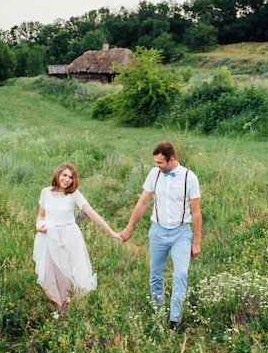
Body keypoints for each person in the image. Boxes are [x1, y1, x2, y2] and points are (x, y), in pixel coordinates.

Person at [120, 141, 201, 332]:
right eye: (155, 163)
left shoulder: (190, 178)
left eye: (159, 163)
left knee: (180, 273)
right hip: (157, 231)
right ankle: (158, 314)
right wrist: (129, 227)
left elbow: (196, 212)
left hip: (181, 233)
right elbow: (142, 202)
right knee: (155, 276)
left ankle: (175, 320)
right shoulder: (154, 174)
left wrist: (196, 241)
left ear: (171, 160)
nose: (157, 166)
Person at [33, 162, 122, 307]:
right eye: (65, 175)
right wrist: (38, 225)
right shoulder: (45, 192)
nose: (67, 179)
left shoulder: (73, 194)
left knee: (68, 271)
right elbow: (41, 215)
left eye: (71, 177)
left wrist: (112, 232)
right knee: (50, 272)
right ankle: (58, 303)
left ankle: (68, 303)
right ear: (58, 174)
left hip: (68, 236)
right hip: (48, 237)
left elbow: (92, 214)